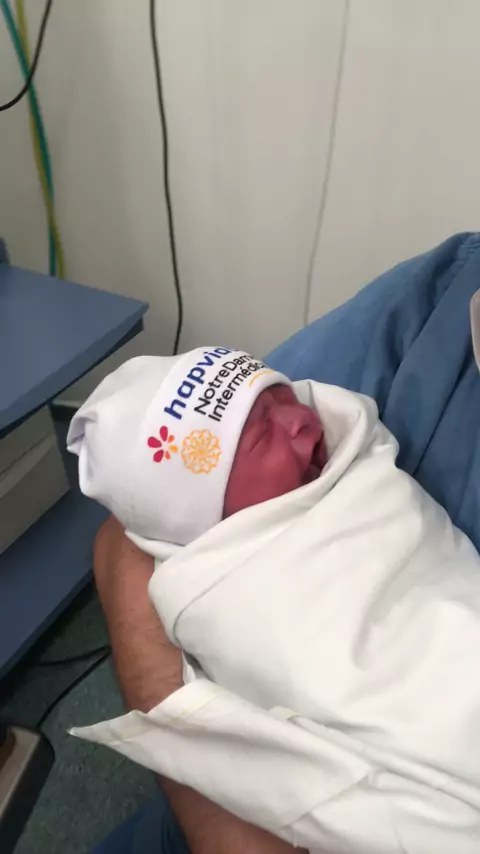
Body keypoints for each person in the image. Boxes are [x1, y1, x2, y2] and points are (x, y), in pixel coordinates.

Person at [69, 346, 480, 853]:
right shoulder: (215, 582)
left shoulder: (352, 464)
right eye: (264, 433)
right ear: (203, 515)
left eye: (287, 399)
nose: (303, 420)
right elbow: (118, 542)